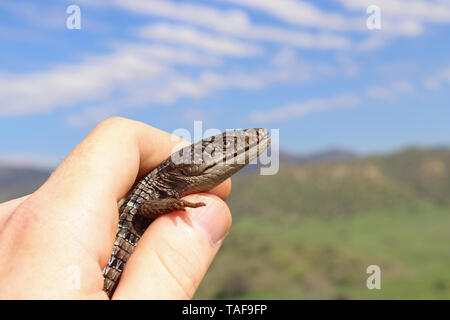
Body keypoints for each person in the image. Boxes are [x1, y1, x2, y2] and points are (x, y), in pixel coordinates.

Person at [0, 118, 232, 299]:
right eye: (225, 144)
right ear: (184, 169)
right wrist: (174, 205)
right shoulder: (158, 187)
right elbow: (145, 209)